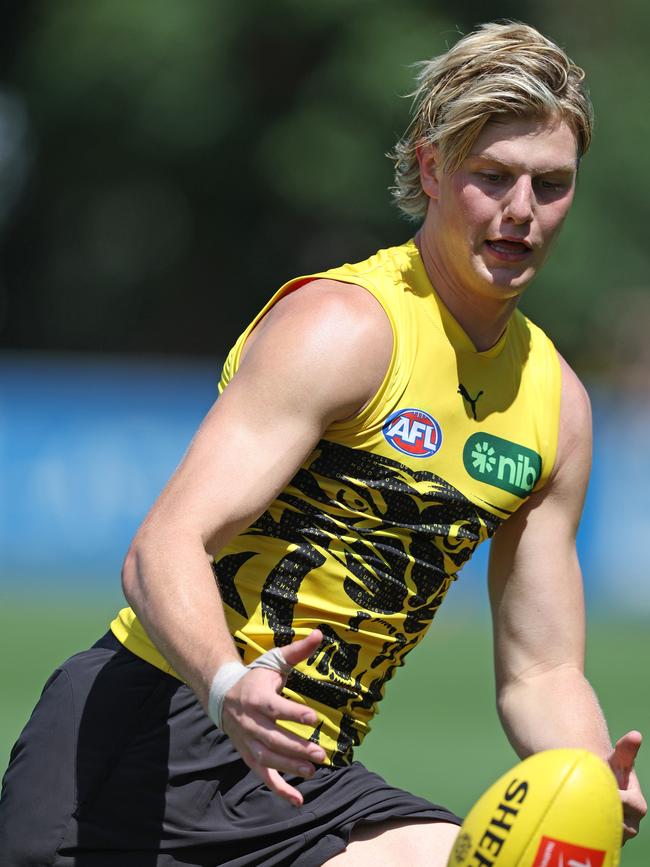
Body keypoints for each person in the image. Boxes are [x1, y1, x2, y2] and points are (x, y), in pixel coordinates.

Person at [0, 20, 646, 867]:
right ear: (432, 170)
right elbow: (164, 545)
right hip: (148, 735)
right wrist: (231, 685)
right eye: (492, 178)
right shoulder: (345, 326)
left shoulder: (555, 406)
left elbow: (542, 671)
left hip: (306, 775)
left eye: (550, 185)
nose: (521, 211)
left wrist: (588, 774)